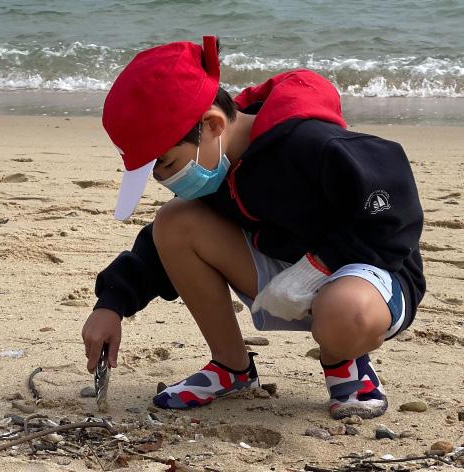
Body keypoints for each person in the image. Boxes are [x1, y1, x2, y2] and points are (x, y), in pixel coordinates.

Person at [81, 36, 425, 419]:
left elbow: (395, 210)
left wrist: (317, 268)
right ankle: (231, 367)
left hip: (374, 271)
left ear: (212, 124)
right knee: (175, 221)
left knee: (345, 313)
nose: (164, 179)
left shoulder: (307, 141)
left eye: (166, 164)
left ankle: (343, 361)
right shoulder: (215, 165)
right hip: (287, 273)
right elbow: (157, 250)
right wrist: (111, 304)